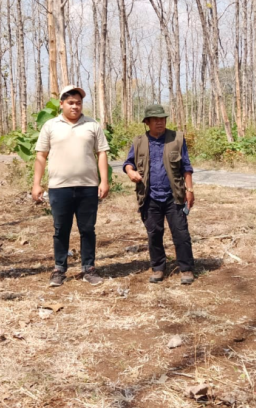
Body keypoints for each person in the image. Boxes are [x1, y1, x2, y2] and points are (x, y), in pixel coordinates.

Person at [32, 85, 110, 287]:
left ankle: (89, 268)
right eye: (71, 102)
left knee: (87, 229)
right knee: (60, 229)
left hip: (88, 187)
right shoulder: (50, 126)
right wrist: (37, 184)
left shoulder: (92, 125)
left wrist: (104, 180)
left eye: (79, 102)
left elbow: (102, 153)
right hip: (59, 187)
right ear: (62, 104)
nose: (75, 106)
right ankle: (59, 269)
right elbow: (41, 155)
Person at [123, 105, 196, 285]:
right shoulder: (139, 141)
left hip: (174, 196)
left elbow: (186, 166)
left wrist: (190, 190)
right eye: (155, 119)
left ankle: (186, 268)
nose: (159, 122)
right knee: (154, 233)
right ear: (147, 122)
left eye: (162, 119)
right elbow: (128, 163)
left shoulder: (177, 139)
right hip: (149, 196)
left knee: (181, 234)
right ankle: (158, 268)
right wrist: (130, 172)